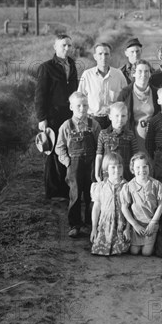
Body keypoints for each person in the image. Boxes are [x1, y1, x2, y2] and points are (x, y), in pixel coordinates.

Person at [35, 34, 78, 200]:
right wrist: (42, 118)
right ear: (55, 47)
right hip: (52, 116)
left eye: (69, 45)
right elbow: (40, 95)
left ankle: (65, 188)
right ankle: (52, 192)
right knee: (52, 151)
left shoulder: (72, 64)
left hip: (69, 115)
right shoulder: (46, 67)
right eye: (63, 45)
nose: (67, 48)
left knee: (67, 149)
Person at [55, 92, 101, 238]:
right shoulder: (66, 126)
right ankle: (74, 224)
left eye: (85, 105)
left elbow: (100, 145)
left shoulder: (94, 124)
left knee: (90, 194)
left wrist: (98, 166)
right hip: (74, 165)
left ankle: (89, 222)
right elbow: (59, 147)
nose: (82, 108)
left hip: (91, 164)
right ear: (71, 107)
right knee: (75, 195)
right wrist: (67, 162)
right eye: (78, 106)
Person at [120, 153, 162, 256]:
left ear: (149, 167)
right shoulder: (129, 186)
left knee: (146, 253)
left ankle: (154, 243)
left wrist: (153, 222)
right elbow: (124, 208)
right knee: (134, 252)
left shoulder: (156, 185)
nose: (142, 170)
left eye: (145, 166)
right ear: (132, 169)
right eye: (138, 167)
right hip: (137, 225)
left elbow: (161, 205)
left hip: (151, 224)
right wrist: (134, 225)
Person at [78, 42, 127, 129]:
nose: (103, 57)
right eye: (100, 54)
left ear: (110, 56)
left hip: (113, 121)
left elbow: (126, 98)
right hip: (92, 121)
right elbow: (80, 99)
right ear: (95, 56)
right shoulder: (87, 75)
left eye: (106, 54)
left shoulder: (119, 75)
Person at [90, 152, 130, 256]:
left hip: (121, 223)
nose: (117, 170)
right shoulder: (101, 186)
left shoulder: (127, 186)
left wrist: (128, 228)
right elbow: (96, 207)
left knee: (124, 249)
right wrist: (94, 228)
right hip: (105, 225)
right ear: (106, 169)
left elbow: (130, 209)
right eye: (113, 167)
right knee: (99, 248)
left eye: (119, 167)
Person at [117, 59, 159, 152]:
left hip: (153, 139)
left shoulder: (156, 93)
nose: (143, 75)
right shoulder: (125, 93)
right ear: (133, 74)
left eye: (146, 71)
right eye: (140, 71)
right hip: (132, 139)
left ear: (150, 74)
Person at [95, 102, 139, 182]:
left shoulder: (130, 134)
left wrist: (135, 172)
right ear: (110, 116)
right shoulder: (103, 133)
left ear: (127, 117)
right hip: (107, 173)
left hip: (125, 173)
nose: (120, 119)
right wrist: (97, 173)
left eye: (123, 116)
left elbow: (135, 155)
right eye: (117, 116)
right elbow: (99, 155)